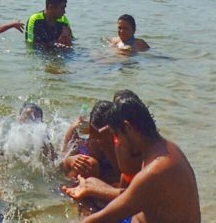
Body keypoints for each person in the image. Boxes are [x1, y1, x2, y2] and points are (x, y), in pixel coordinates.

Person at [63, 90, 200, 223]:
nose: (118, 143)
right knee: (91, 183)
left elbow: (103, 218)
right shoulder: (169, 148)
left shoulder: (153, 173)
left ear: (128, 128)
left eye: (117, 136)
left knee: (87, 201)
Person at [61, 100, 121, 198]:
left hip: (108, 176)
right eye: (94, 134)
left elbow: (121, 172)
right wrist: (70, 160)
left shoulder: (119, 137)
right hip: (84, 175)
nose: (98, 140)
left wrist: (107, 146)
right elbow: (61, 162)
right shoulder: (82, 130)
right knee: (88, 163)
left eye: (103, 134)